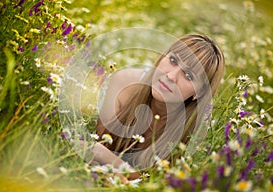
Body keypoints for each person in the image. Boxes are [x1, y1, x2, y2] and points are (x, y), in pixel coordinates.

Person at [88, 34, 225, 179]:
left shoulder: (197, 124)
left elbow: (161, 184)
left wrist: (102, 154)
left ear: (198, 93)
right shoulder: (125, 82)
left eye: (188, 75)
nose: (171, 76)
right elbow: (99, 145)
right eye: (173, 60)